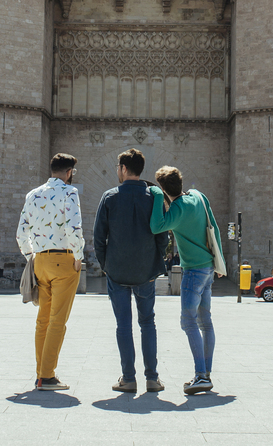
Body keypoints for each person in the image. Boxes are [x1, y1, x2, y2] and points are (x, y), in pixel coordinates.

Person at [93, 148, 169, 394]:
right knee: (148, 323)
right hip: (145, 272)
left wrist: (107, 265)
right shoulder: (153, 198)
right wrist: (157, 263)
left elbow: (98, 237)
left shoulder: (109, 197)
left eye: (118, 167)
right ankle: (152, 378)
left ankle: (128, 378)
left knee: (123, 325)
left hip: (117, 272)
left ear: (124, 169)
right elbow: (162, 235)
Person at [149, 165, 224, 395]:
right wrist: (219, 261)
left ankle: (201, 376)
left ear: (164, 189)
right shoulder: (198, 196)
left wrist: (155, 197)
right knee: (206, 321)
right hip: (209, 267)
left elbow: (156, 226)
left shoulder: (177, 209)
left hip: (192, 271)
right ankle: (206, 374)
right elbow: (215, 228)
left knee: (188, 322)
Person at [16, 153, 84, 391]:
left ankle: (40, 374)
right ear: (69, 173)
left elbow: (20, 233)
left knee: (43, 320)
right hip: (63, 261)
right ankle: (47, 376)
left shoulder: (32, 194)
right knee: (58, 321)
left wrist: (31, 256)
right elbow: (73, 226)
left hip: (40, 261)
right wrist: (78, 257)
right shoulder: (69, 192)